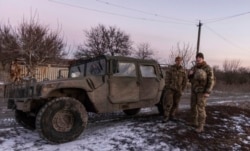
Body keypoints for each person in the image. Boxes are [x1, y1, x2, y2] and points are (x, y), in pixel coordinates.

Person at [188, 52, 215, 133]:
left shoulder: (207, 68)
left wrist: (207, 91)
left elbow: (211, 80)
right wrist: (189, 74)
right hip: (194, 90)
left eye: (200, 58)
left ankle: (201, 126)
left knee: (201, 108)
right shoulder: (194, 68)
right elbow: (189, 77)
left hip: (202, 92)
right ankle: (194, 122)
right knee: (193, 106)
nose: (198, 59)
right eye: (197, 58)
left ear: (203, 59)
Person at [163, 56, 187, 122]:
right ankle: (166, 116)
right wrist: (168, 87)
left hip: (178, 90)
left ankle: (172, 115)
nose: (178, 62)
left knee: (176, 103)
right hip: (170, 89)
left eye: (180, 61)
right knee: (168, 103)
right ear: (175, 61)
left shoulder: (183, 70)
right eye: (177, 60)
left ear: (181, 61)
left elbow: (185, 81)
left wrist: (182, 89)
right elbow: (167, 78)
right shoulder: (171, 69)